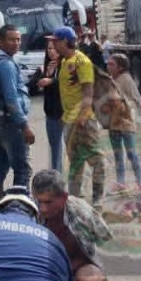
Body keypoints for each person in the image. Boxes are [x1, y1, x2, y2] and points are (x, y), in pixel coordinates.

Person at [32, 170, 111, 281]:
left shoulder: (82, 211)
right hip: (42, 268)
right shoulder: (28, 212)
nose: (43, 208)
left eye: (49, 202)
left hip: (77, 266)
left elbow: (104, 236)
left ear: (64, 198)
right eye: (39, 201)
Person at [54, 26, 106, 205]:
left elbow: (88, 92)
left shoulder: (82, 62)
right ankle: (76, 200)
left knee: (96, 159)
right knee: (75, 162)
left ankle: (98, 198)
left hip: (84, 121)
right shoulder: (63, 62)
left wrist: (83, 116)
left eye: (56, 40)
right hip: (69, 120)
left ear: (64, 41)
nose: (53, 44)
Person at [0, 24, 34, 204]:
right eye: (11, 39)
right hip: (9, 123)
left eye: (18, 39)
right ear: (1, 40)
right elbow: (11, 99)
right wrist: (25, 126)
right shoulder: (5, 65)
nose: (16, 43)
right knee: (22, 169)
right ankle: (19, 206)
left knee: (0, 165)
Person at [106, 53, 141, 190]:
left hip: (127, 123)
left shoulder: (127, 80)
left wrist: (124, 106)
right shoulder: (109, 80)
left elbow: (138, 101)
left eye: (112, 64)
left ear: (121, 67)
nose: (108, 66)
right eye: (108, 63)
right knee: (117, 154)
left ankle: (140, 181)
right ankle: (121, 181)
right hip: (113, 122)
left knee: (131, 153)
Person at [30, 36, 65, 172]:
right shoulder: (44, 66)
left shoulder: (68, 64)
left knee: (70, 148)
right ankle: (56, 177)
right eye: (49, 48)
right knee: (55, 147)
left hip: (67, 112)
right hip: (52, 114)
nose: (52, 51)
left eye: (55, 48)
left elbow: (69, 83)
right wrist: (46, 74)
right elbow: (32, 85)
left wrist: (52, 81)